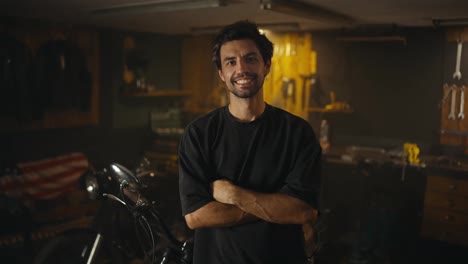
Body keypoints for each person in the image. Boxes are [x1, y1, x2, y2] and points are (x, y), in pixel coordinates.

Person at [178, 20, 322, 264]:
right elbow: (196, 216)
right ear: (222, 74)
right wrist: (276, 207)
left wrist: (234, 194)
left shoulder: (298, 132)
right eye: (231, 62)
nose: (241, 68)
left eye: (250, 59)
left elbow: (303, 210)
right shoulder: (199, 134)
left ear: (266, 65)